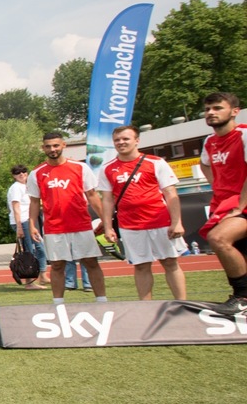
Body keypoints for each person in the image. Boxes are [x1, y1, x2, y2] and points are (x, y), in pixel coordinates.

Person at [97, 125, 186, 300]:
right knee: (141, 266)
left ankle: (182, 304)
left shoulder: (155, 162)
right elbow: (107, 200)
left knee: (170, 262)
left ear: (137, 140)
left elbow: (170, 193)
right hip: (130, 226)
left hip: (160, 221)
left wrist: (177, 222)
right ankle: (146, 307)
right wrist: (108, 227)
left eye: (125, 139)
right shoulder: (107, 169)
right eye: (117, 140)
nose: (121, 143)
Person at [27, 131, 108, 304]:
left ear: (63, 145)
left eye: (56, 145)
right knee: (57, 265)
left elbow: (93, 196)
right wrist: (32, 225)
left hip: (81, 225)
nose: (52, 149)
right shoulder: (37, 173)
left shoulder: (80, 167)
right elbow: (34, 202)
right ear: (43, 148)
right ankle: (58, 304)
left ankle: (102, 301)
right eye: (48, 146)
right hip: (54, 228)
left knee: (91, 262)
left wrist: (106, 221)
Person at [197, 92, 247, 315]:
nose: (211, 113)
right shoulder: (209, 141)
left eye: (217, 108)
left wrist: (238, 206)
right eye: (208, 109)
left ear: (234, 111)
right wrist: (216, 187)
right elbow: (204, 164)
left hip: (241, 203)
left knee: (219, 238)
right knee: (238, 249)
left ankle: (242, 297)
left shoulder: (244, 135)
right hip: (225, 203)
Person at [7, 165, 50, 289]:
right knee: (28, 251)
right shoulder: (16, 188)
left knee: (40, 248)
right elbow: (16, 208)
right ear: (14, 176)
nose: (21, 174)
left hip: (30, 220)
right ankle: (29, 282)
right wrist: (19, 227)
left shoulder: (29, 186)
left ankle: (42, 275)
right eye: (17, 172)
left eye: (23, 171)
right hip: (22, 221)